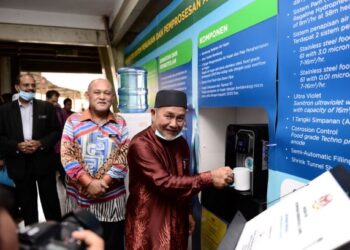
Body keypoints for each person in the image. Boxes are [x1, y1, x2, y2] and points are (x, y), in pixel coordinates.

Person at [125, 89, 234, 250]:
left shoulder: (181, 143)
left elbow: (183, 179)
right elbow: (164, 183)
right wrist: (210, 177)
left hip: (178, 224)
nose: (174, 124)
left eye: (180, 118)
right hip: (149, 227)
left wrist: (188, 211)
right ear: (153, 113)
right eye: (168, 116)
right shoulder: (141, 144)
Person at [61, 78, 129, 250]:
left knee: (112, 245)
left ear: (113, 97)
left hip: (112, 203)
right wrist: (88, 183)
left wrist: (103, 183)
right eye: (97, 92)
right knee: (80, 245)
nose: (102, 97)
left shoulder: (120, 123)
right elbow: (67, 155)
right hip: (79, 202)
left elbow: (124, 156)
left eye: (107, 93)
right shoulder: (73, 121)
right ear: (88, 95)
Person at [0, 73, 62, 226]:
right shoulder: (4, 110)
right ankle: (32, 235)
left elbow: (55, 131)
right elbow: (0, 136)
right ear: (17, 87)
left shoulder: (46, 107)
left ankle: (56, 233)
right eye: (26, 85)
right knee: (28, 205)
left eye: (33, 85)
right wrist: (16, 146)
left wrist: (40, 143)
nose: (30, 88)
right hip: (19, 163)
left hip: (43, 162)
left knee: (51, 202)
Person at [46, 90, 66, 186]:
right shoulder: (42, 110)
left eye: (56, 101)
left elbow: (65, 126)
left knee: (62, 171)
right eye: (53, 101)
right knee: (48, 175)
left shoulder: (60, 111)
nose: (55, 104)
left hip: (58, 147)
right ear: (47, 99)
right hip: (46, 147)